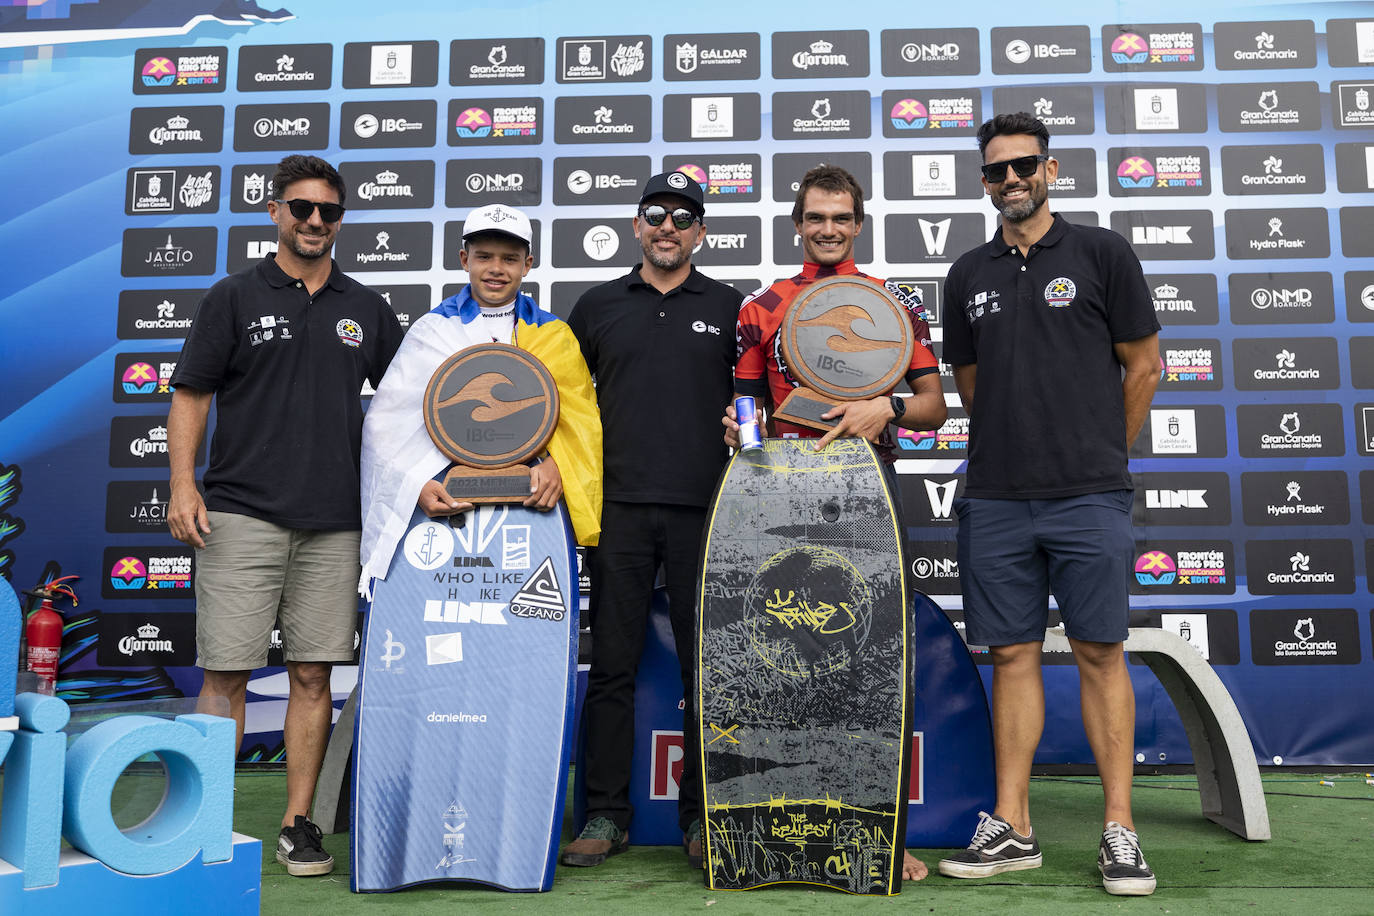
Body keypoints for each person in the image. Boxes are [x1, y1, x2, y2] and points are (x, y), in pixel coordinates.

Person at [935, 112, 1161, 897]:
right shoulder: (966, 273)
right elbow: (970, 387)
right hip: (995, 496)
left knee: (1101, 652)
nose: (1011, 181)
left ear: (1050, 169)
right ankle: (1013, 828)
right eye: (997, 171)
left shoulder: (1102, 251)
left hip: (1087, 496)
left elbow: (1144, 366)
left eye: (1024, 165)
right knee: (1012, 657)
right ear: (985, 181)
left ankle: (1121, 831)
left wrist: (1103, 456)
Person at [167, 154, 404, 877]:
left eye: (328, 212)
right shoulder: (234, 295)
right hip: (240, 515)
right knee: (226, 675)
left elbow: (406, 408)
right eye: (301, 208)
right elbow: (191, 395)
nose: (313, 222)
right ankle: (201, 822)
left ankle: (299, 825)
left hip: (336, 522)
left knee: (311, 678)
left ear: (341, 221)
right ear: (275, 211)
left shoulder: (366, 307)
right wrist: (182, 484)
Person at [722, 164, 947, 881]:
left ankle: (881, 835)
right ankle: (770, 828)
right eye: (816, 217)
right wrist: (741, 433)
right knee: (774, 663)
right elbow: (748, 409)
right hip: (778, 495)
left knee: (869, 665)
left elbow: (935, 404)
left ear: (858, 224)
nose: (828, 229)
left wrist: (891, 408)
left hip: (864, 490)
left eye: (841, 218)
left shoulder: (892, 303)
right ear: (797, 223)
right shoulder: (761, 307)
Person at [558, 172, 741, 870]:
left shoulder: (729, 307)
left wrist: (741, 427)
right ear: (637, 226)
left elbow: (753, 399)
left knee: (710, 671)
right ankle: (605, 814)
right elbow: (563, 407)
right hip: (618, 511)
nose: (668, 226)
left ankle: (703, 818)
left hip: (708, 509)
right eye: (656, 215)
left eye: (683, 217)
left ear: (700, 232)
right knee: (610, 667)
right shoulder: (597, 306)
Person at [358, 203, 602, 588]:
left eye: (509, 258)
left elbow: (581, 422)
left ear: (528, 264)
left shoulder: (554, 334)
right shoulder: (433, 329)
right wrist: (413, 485)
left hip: (531, 511)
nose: (496, 268)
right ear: (463, 258)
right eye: (483, 256)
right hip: (441, 506)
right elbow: (386, 424)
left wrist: (559, 466)